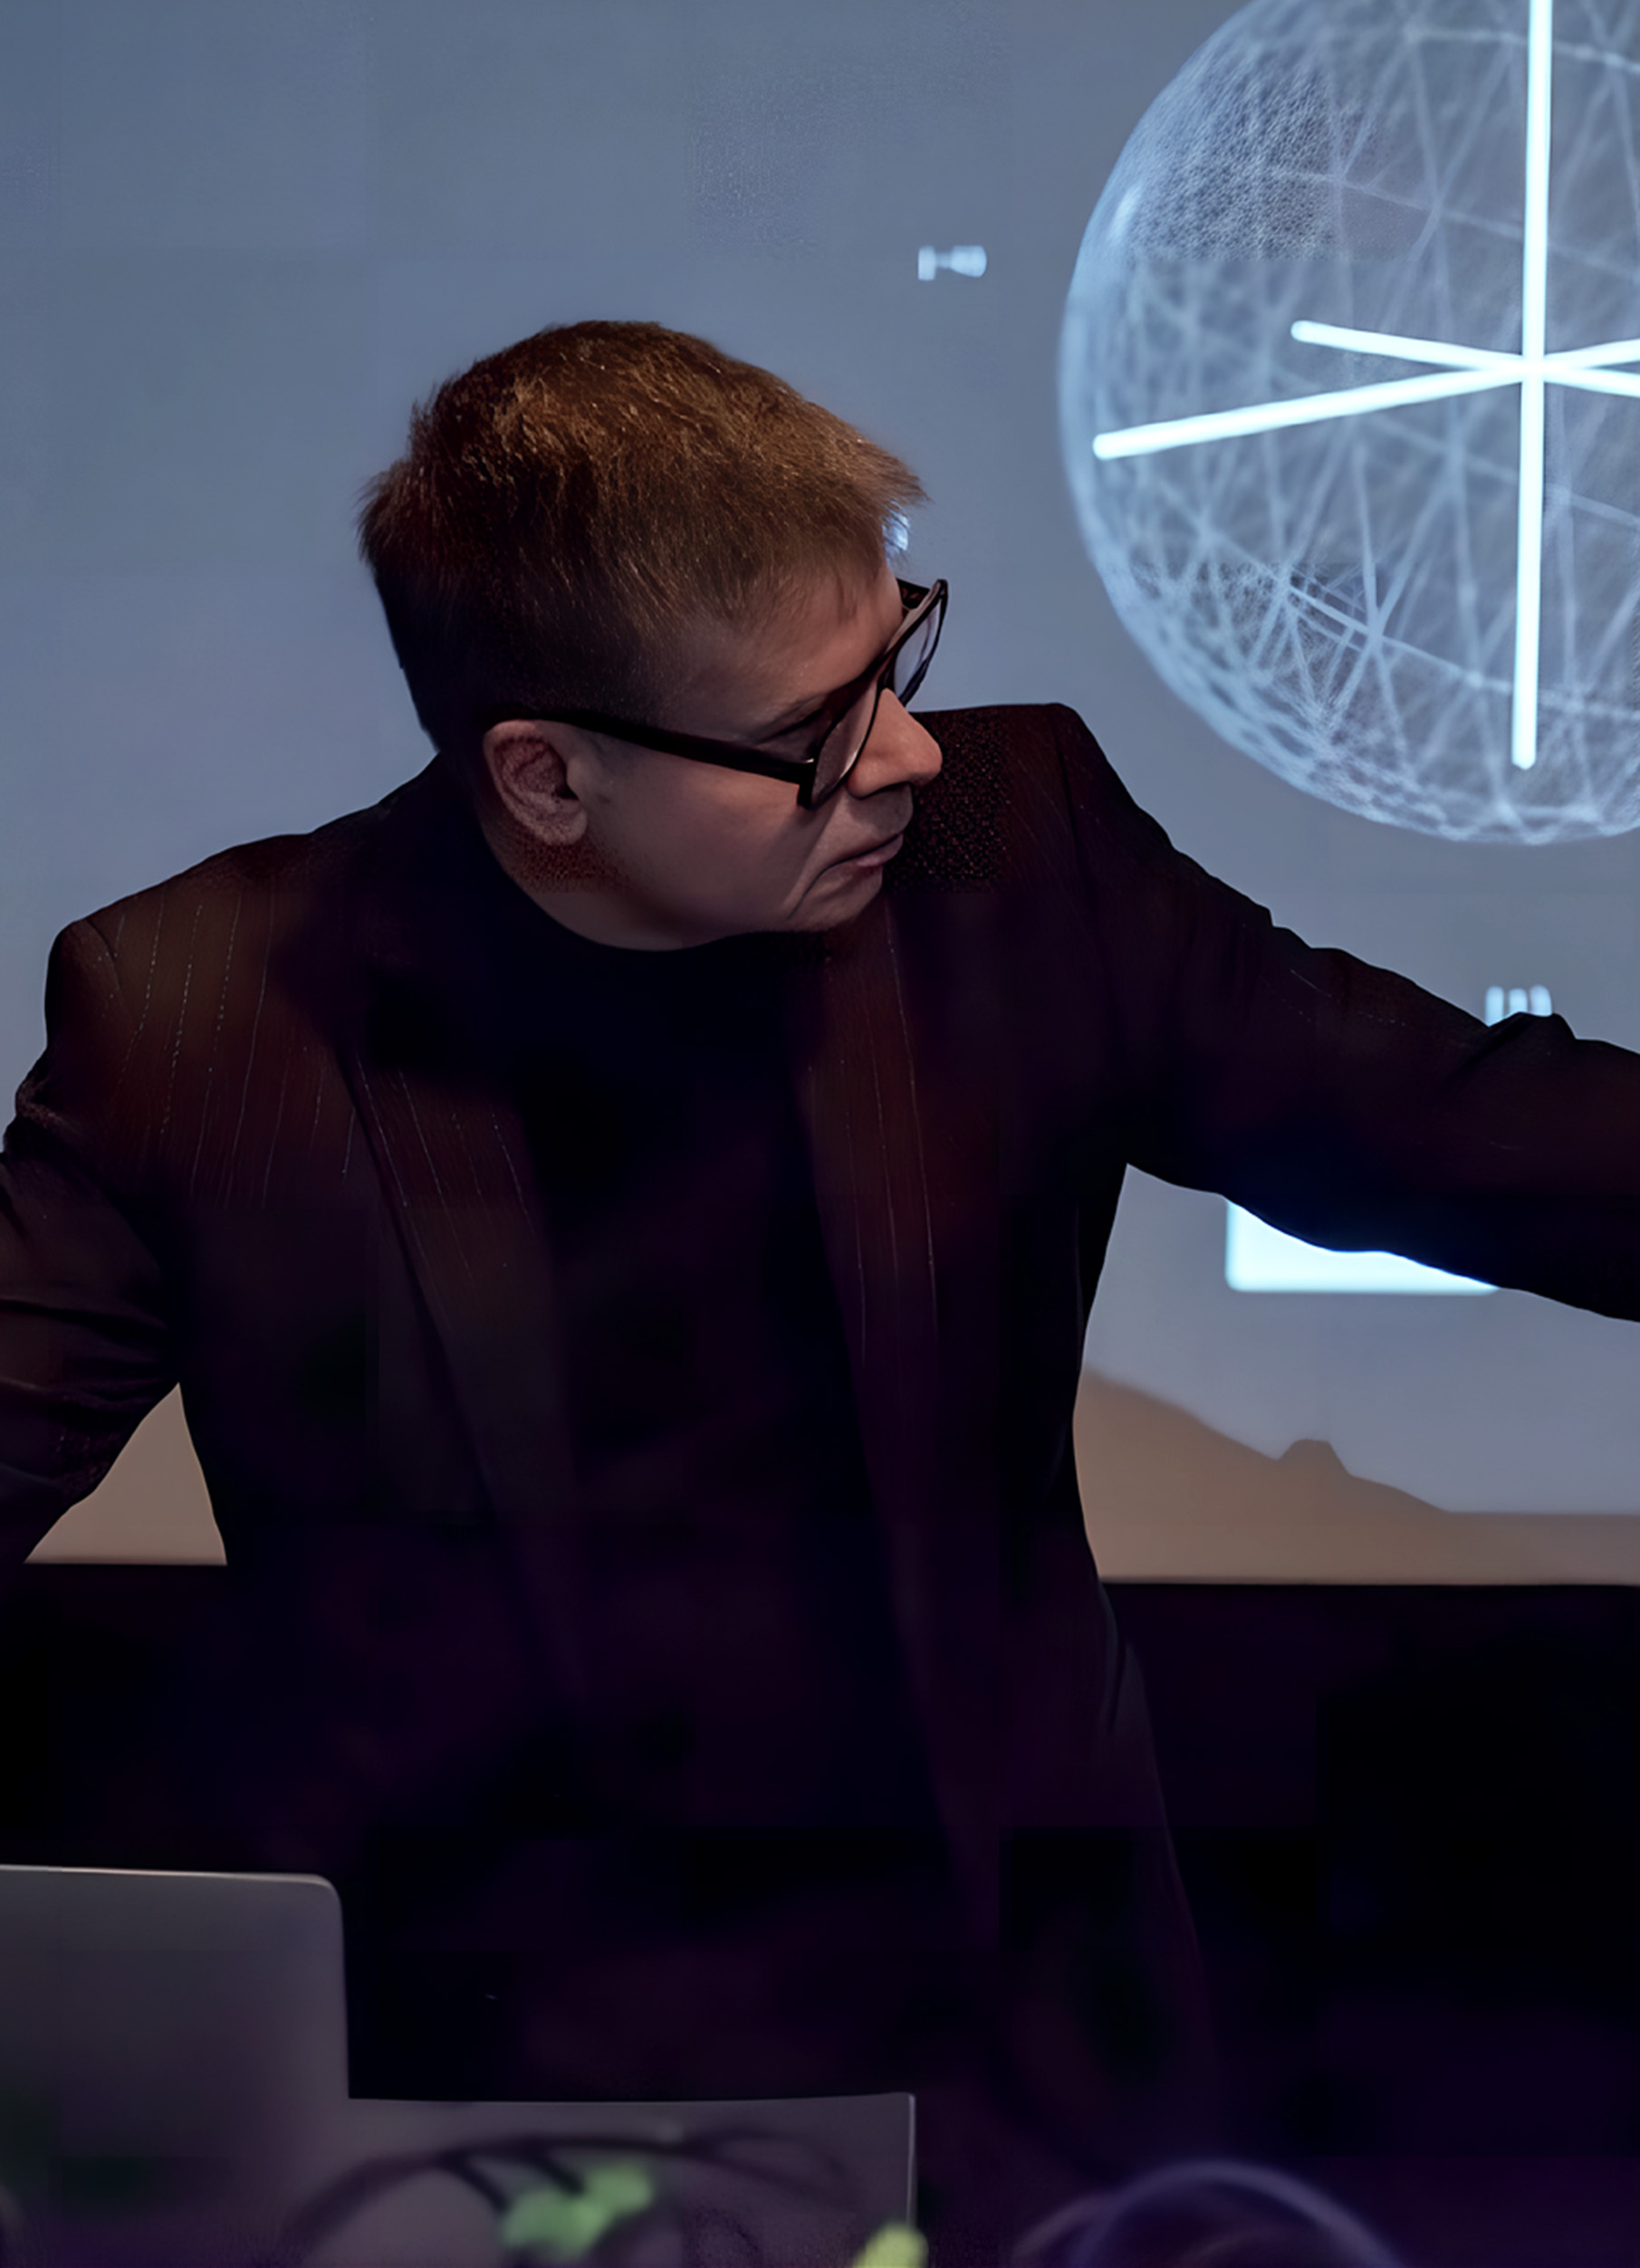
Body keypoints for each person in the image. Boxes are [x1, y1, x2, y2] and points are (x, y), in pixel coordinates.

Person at [2, 321, 1637, 2264]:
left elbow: (1459, 1125)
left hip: (1013, 2032)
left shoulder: (1013, 851)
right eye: (813, 733)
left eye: (899, 656)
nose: (906, 753)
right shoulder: (199, 1015)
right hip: (479, 2080)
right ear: (547, 775)